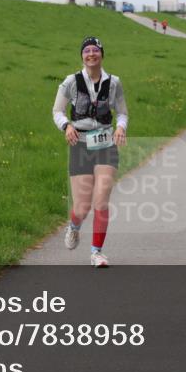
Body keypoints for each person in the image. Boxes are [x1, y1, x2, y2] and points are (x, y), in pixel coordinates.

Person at [52, 37, 128, 268]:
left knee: (101, 201)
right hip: (80, 145)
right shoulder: (71, 82)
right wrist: (67, 126)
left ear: (102, 55)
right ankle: (74, 227)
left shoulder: (114, 83)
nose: (91, 54)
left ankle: (97, 252)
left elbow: (122, 113)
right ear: (82, 56)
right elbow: (57, 111)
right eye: (87, 51)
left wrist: (121, 127)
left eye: (95, 50)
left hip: (106, 144)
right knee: (82, 208)